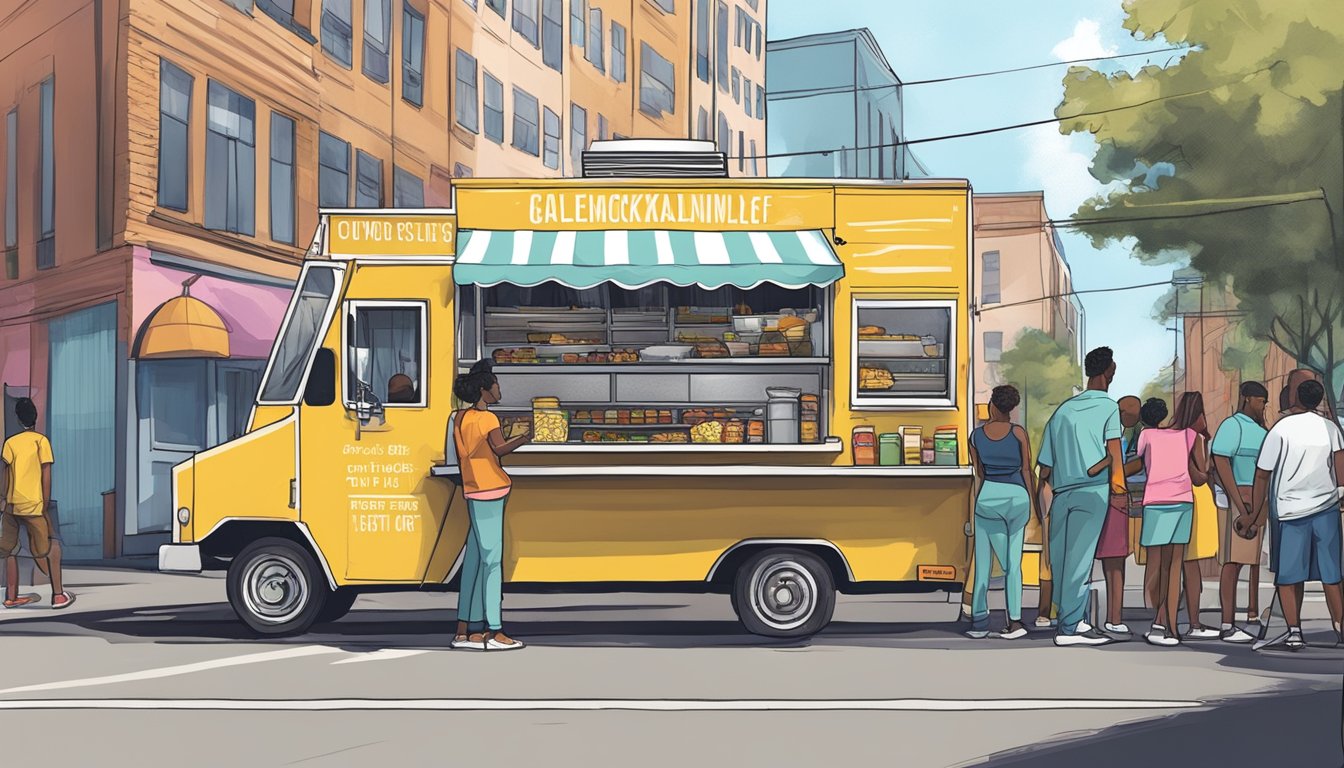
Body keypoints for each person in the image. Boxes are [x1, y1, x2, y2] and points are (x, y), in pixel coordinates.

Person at [1036, 346, 1123, 647]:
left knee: (1060, 559)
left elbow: (1044, 467)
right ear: (1108, 371)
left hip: (1061, 493)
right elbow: (1114, 453)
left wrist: (1041, 506)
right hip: (1091, 491)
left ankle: (1069, 619)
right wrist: (1119, 489)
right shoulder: (1109, 407)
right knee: (1080, 559)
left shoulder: (1063, 411)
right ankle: (1070, 629)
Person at [1247, 378, 1344, 650]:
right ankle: (1340, 626)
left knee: (1291, 575)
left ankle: (1293, 631)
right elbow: (1341, 470)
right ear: (1319, 400)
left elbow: (1262, 473)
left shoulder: (1281, 429)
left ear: (1296, 399)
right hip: (1326, 508)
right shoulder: (1330, 428)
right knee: (1332, 574)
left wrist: (1255, 513)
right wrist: (1338, 494)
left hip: (1290, 511)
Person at [450, 360, 530, 651]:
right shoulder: (488, 419)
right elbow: (498, 449)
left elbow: (475, 449)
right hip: (491, 490)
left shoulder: (459, 417)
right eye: (495, 385)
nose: (499, 389)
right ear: (484, 390)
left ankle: (465, 630)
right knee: (492, 561)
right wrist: (524, 437)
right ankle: (494, 631)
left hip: (472, 490)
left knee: (473, 561)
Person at [1123, 396, 1207, 646]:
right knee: (1175, 567)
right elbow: (1201, 476)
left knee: (1157, 566)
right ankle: (1170, 627)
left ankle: (1158, 622)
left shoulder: (1146, 436)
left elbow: (1138, 463)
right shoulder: (1189, 436)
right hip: (1182, 503)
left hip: (1155, 503)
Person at [966, 385, 1037, 640]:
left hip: (989, 498)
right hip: (1018, 497)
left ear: (992, 406)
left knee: (983, 563)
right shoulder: (1019, 433)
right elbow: (1027, 470)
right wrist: (1032, 501)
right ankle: (1015, 622)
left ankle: (979, 622)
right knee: (1013, 564)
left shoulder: (976, 436)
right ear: (1013, 409)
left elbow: (979, 472)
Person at [0, 398, 73, 609]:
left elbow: (5, 474)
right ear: (36, 418)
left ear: (17, 418)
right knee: (51, 546)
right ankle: (58, 595)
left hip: (11, 506)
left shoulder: (10, 443)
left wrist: (3, 499)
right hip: (34, 505)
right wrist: (45, 503)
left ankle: (11, 597)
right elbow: (46, 475)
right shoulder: (41, 442)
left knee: (10, 550)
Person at [1212, 381, 1269, 643]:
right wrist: (1237, 500)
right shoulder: (1231, 426)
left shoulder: (1262, 431)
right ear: (1247, 399)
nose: (1263, 406)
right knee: (1232, 562)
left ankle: (1252, 615)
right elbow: (1220, 461)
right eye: (1260, 401)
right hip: (1239, 500)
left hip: (1258, 502)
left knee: (1254, 561)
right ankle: (1227, 622)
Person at [1094, 395, 1141, 635]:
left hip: (1110, 495)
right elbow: (1120, 465)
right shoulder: (1117, 436)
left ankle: (1113, 616)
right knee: (1115, 561)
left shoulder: (1123, 435)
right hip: (1116, 495)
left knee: (1112, 561)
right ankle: (1114, 617)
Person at [1176, 392, 1219, 640]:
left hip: (1180, 497)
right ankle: (1194, 622)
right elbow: (1201, 474)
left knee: (1183, 563)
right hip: (1199, 500)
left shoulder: (1175, 436)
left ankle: (1184, 618)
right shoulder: (1196, 438)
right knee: (1192, 566)